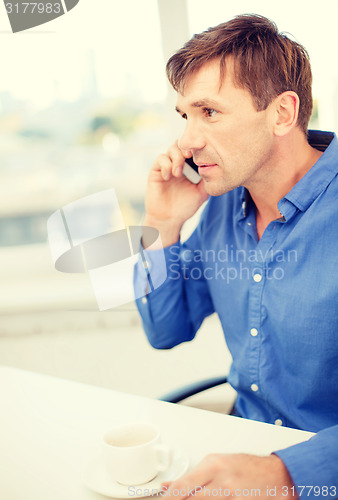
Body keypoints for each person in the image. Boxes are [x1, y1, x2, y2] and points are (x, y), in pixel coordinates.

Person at [133, 14, 338, 500]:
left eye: (210, 112)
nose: (186, 140)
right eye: (185, 116)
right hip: (243, 448)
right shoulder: (222, 205)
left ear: (283, 114)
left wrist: (285, 473)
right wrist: (162, 226)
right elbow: (165, 331)